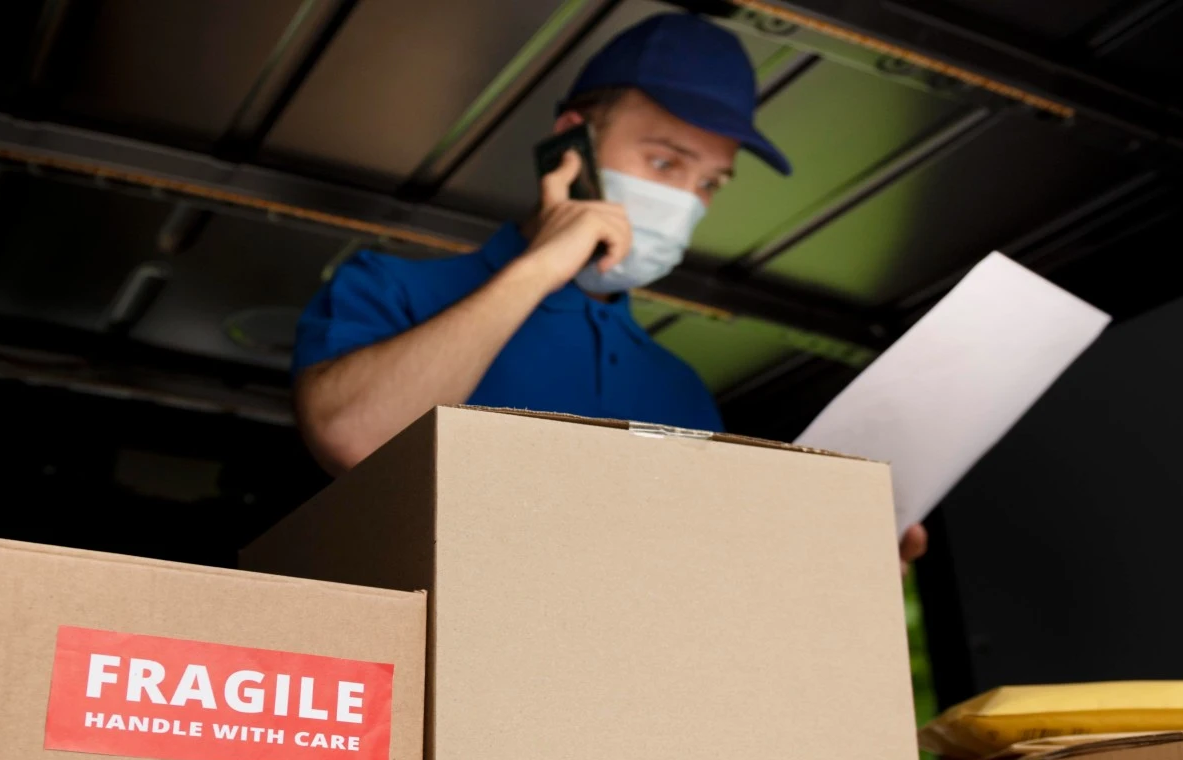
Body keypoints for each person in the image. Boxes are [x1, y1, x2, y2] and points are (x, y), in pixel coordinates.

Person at [291, 13, 927, 560]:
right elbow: (358, 438)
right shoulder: (390, 288)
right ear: (572, 143)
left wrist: (849, 569)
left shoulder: (681, 392)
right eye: (664, 161)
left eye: (709, 182)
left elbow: (704, 582)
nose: (685, 200)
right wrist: (542, 266)